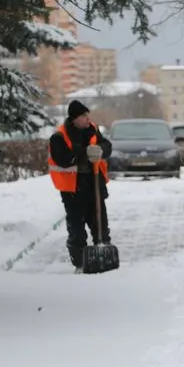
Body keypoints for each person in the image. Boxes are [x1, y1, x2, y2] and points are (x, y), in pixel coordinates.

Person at [47, 100, 113, 273]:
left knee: (100, 224)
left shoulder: (92, 130)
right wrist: (84, 154)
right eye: (84, 115)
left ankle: (103, 254)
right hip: (73, 190)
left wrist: (101, 149)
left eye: (87, 115)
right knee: (77, 228)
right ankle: (80, 262)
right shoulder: (59, 137)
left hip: (94, 185)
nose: (87, 118)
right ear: (75, 118)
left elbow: (107, 145)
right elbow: (62, 159)